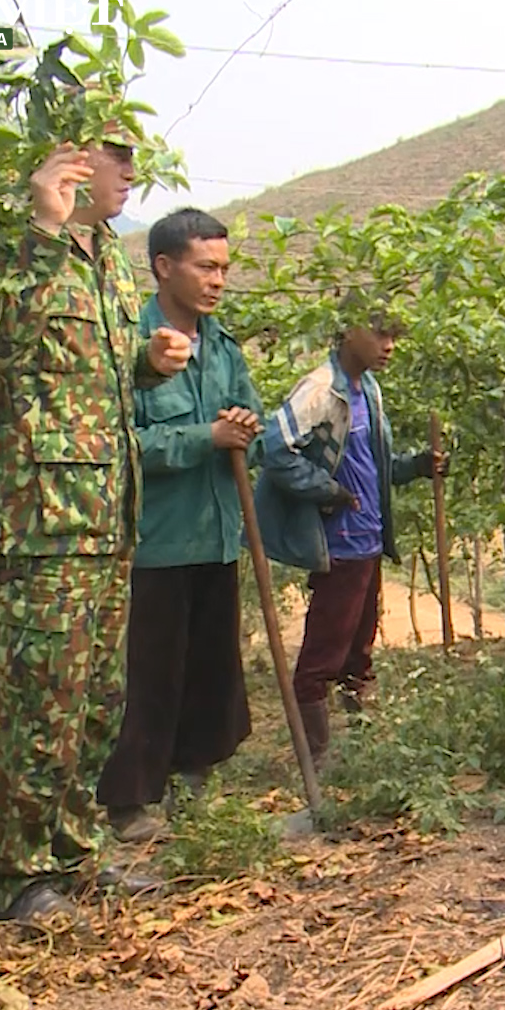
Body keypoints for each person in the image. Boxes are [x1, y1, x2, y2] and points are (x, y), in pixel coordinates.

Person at [0, 132, 192, 930]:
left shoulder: (109, 255)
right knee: (40, 704)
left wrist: (146, 357)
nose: (132, 170)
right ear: (67, 160)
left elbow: (89, 368)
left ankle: (73, 853)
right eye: (114, 153)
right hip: (38, 522)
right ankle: (17, 880)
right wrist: (42, 231)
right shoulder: (11, 246)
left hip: (104, 515)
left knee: (94, 703)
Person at [96, 208, 263, 842]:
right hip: (157, 542)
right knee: (149, 673)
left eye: (224, 268)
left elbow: (255, 424)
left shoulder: (223, 346)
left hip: (218, 532)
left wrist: (247, 431)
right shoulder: (130, 345)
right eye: (206, 267)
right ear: (165, 267)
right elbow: (123, 443)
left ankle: (197, 778)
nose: (218, 280)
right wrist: (205, 438)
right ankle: (132, 799)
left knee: (211, 667)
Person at [254, 319, 445, 766]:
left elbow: (373, 467)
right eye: (380, 334)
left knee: (359, 651)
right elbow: (273, 449)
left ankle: (363, 749)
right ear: (345, 331)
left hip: (368, 542)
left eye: (395, 335)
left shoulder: (369, 391)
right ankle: (315, 760)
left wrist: (416, 466)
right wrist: (325, 490)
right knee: (323, 657)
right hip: (338, 546)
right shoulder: (321, 390)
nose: (389, 346)